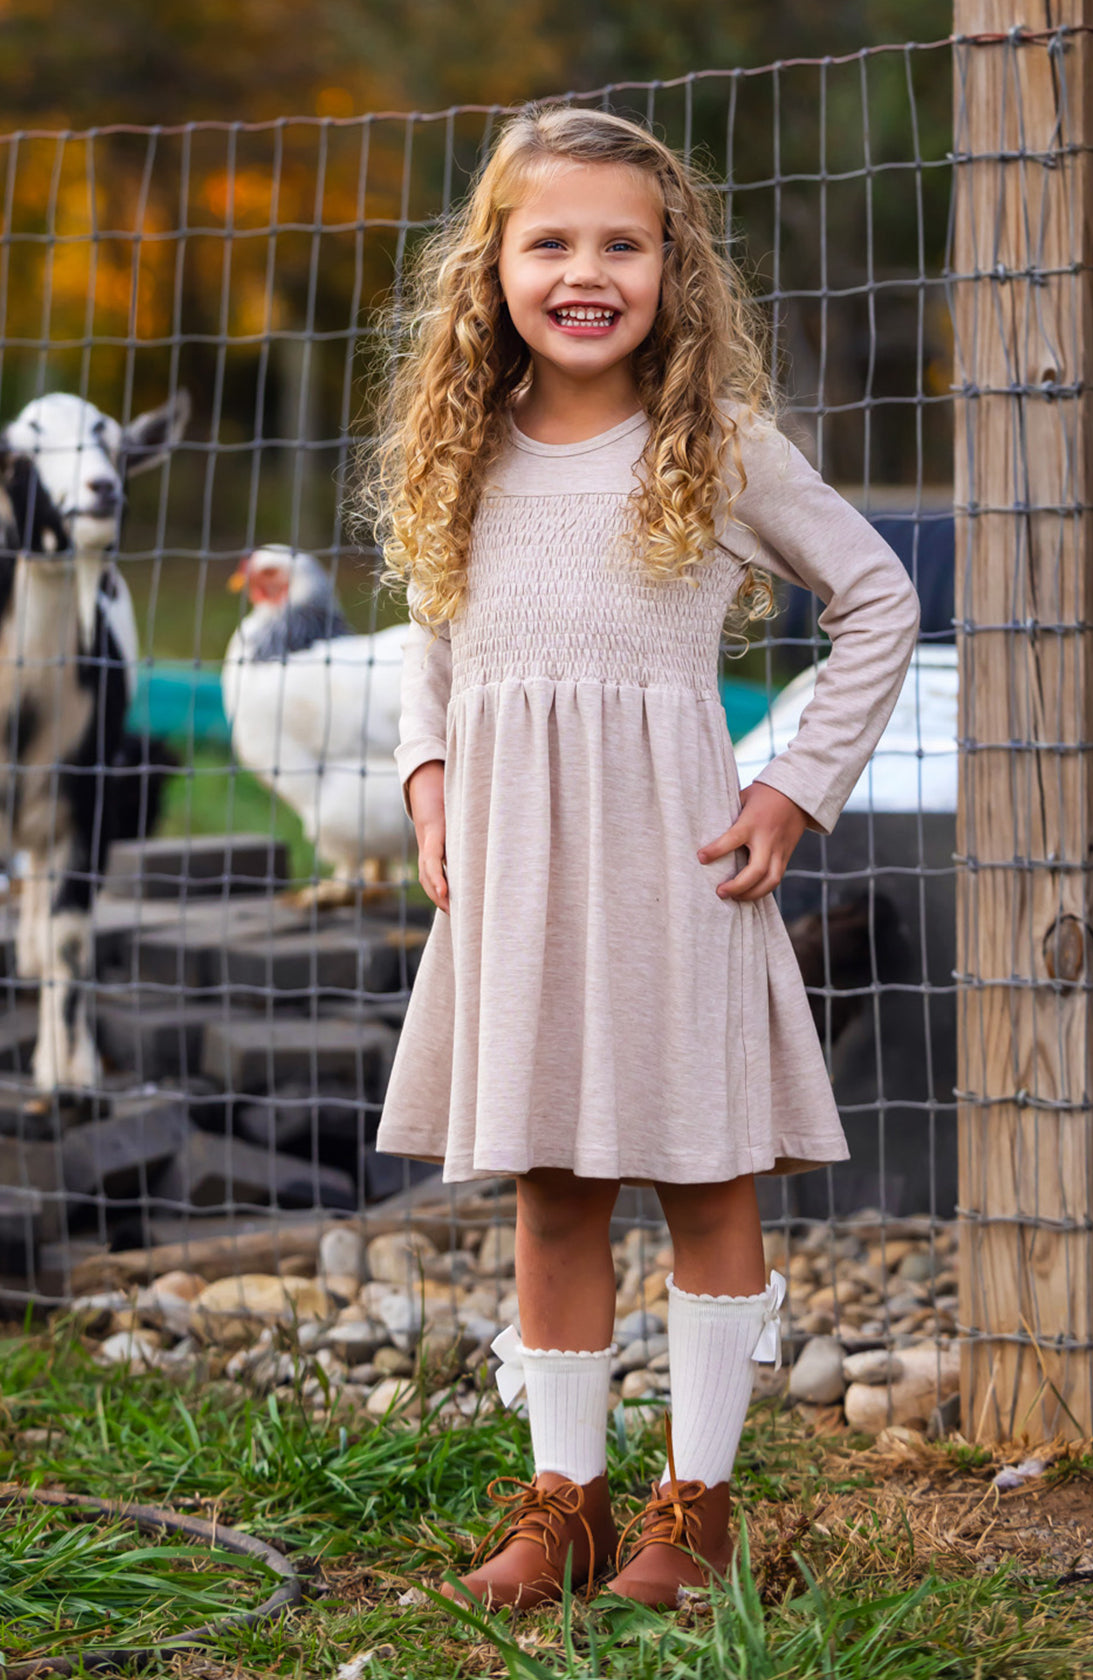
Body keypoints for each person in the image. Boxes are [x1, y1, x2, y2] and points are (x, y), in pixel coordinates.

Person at [369, 104, 920, 1612]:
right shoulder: (460, 448)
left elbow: (876, 601)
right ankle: (571, 1504)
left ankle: (703, 1507)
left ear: (674, 267)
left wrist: (792, 792)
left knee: (701, 1178)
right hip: (513, 874)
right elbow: (434, 626)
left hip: (675, 873)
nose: (584, 271)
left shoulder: (719, 447)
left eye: (622, 242)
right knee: (551, 1188)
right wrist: (427, 778)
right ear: (491, 266)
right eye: (549, 242)